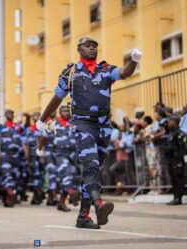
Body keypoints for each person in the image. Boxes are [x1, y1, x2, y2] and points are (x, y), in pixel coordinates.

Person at [36, 37, 142, 229]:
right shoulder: (71, 72)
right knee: (91, 166)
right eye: (88, 46)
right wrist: (42, 119)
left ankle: (83, 217)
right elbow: (56, 98)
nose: (92, 49)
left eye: (95, 46)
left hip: (103, 126)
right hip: (83, 124)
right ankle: (98, 205)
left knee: (92, 171)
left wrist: (134, 60)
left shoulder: (106, 69)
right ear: (79, 49)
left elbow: (125, 73)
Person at [164, 115, 187, 205]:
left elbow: (182, 148)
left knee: (178, 178)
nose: (168, 123)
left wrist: (178, 159)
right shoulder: (171, 133)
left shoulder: (180, 134)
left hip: (178, 159)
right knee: (173, 179)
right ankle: (175, 197)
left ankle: (179, 198)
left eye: (170, 121)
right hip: (171, 159)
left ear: (175, 122)